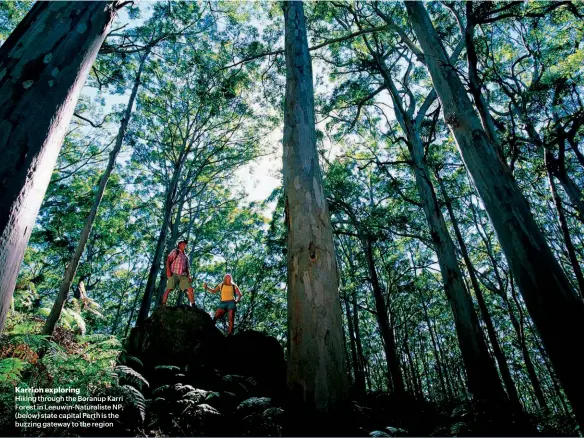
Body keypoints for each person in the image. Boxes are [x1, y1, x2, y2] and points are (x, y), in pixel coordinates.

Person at [162, 239, 195, 307]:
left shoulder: (186, 257)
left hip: (183, 276)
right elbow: (168, 260)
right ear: (179, 245)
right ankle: (163, 305)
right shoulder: (175, 251)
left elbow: (187, 269)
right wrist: (168, 271)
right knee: (169, 289)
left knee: (190, 289)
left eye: (185, 244)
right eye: (183, 243)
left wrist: (189, 276)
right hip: (174, 273)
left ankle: (194, 305)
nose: (184, 245)